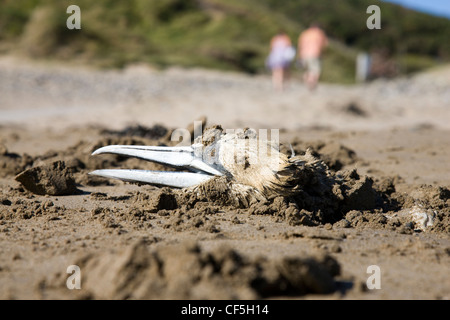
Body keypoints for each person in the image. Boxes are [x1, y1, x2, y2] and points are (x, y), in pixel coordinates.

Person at [298, 23, 328, 91]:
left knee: (307, 70)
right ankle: (312, 83)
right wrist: (323, 53)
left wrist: (300, 55)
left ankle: (307, 79)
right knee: (315, 70)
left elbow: (300, 45)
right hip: (315, 53)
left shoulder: (305, 33)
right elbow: (324, 44)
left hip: (304, 54)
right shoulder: (319, 33)